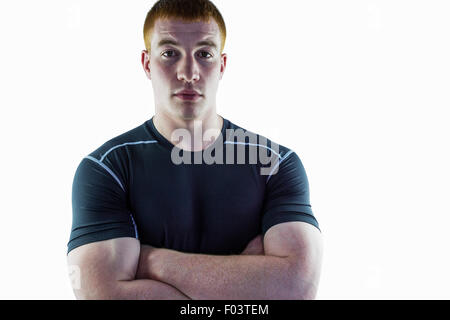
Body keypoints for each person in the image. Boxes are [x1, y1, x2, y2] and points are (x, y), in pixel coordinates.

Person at [67, 0, 323, 300]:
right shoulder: (107, 168)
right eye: (169, 53)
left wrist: (150, 261)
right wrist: (248, 275)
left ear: (222, 65)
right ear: (147, 63)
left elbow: (296, 289)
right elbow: (103, 294)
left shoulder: (275, 163)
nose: (188, 72)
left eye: (204, 54)